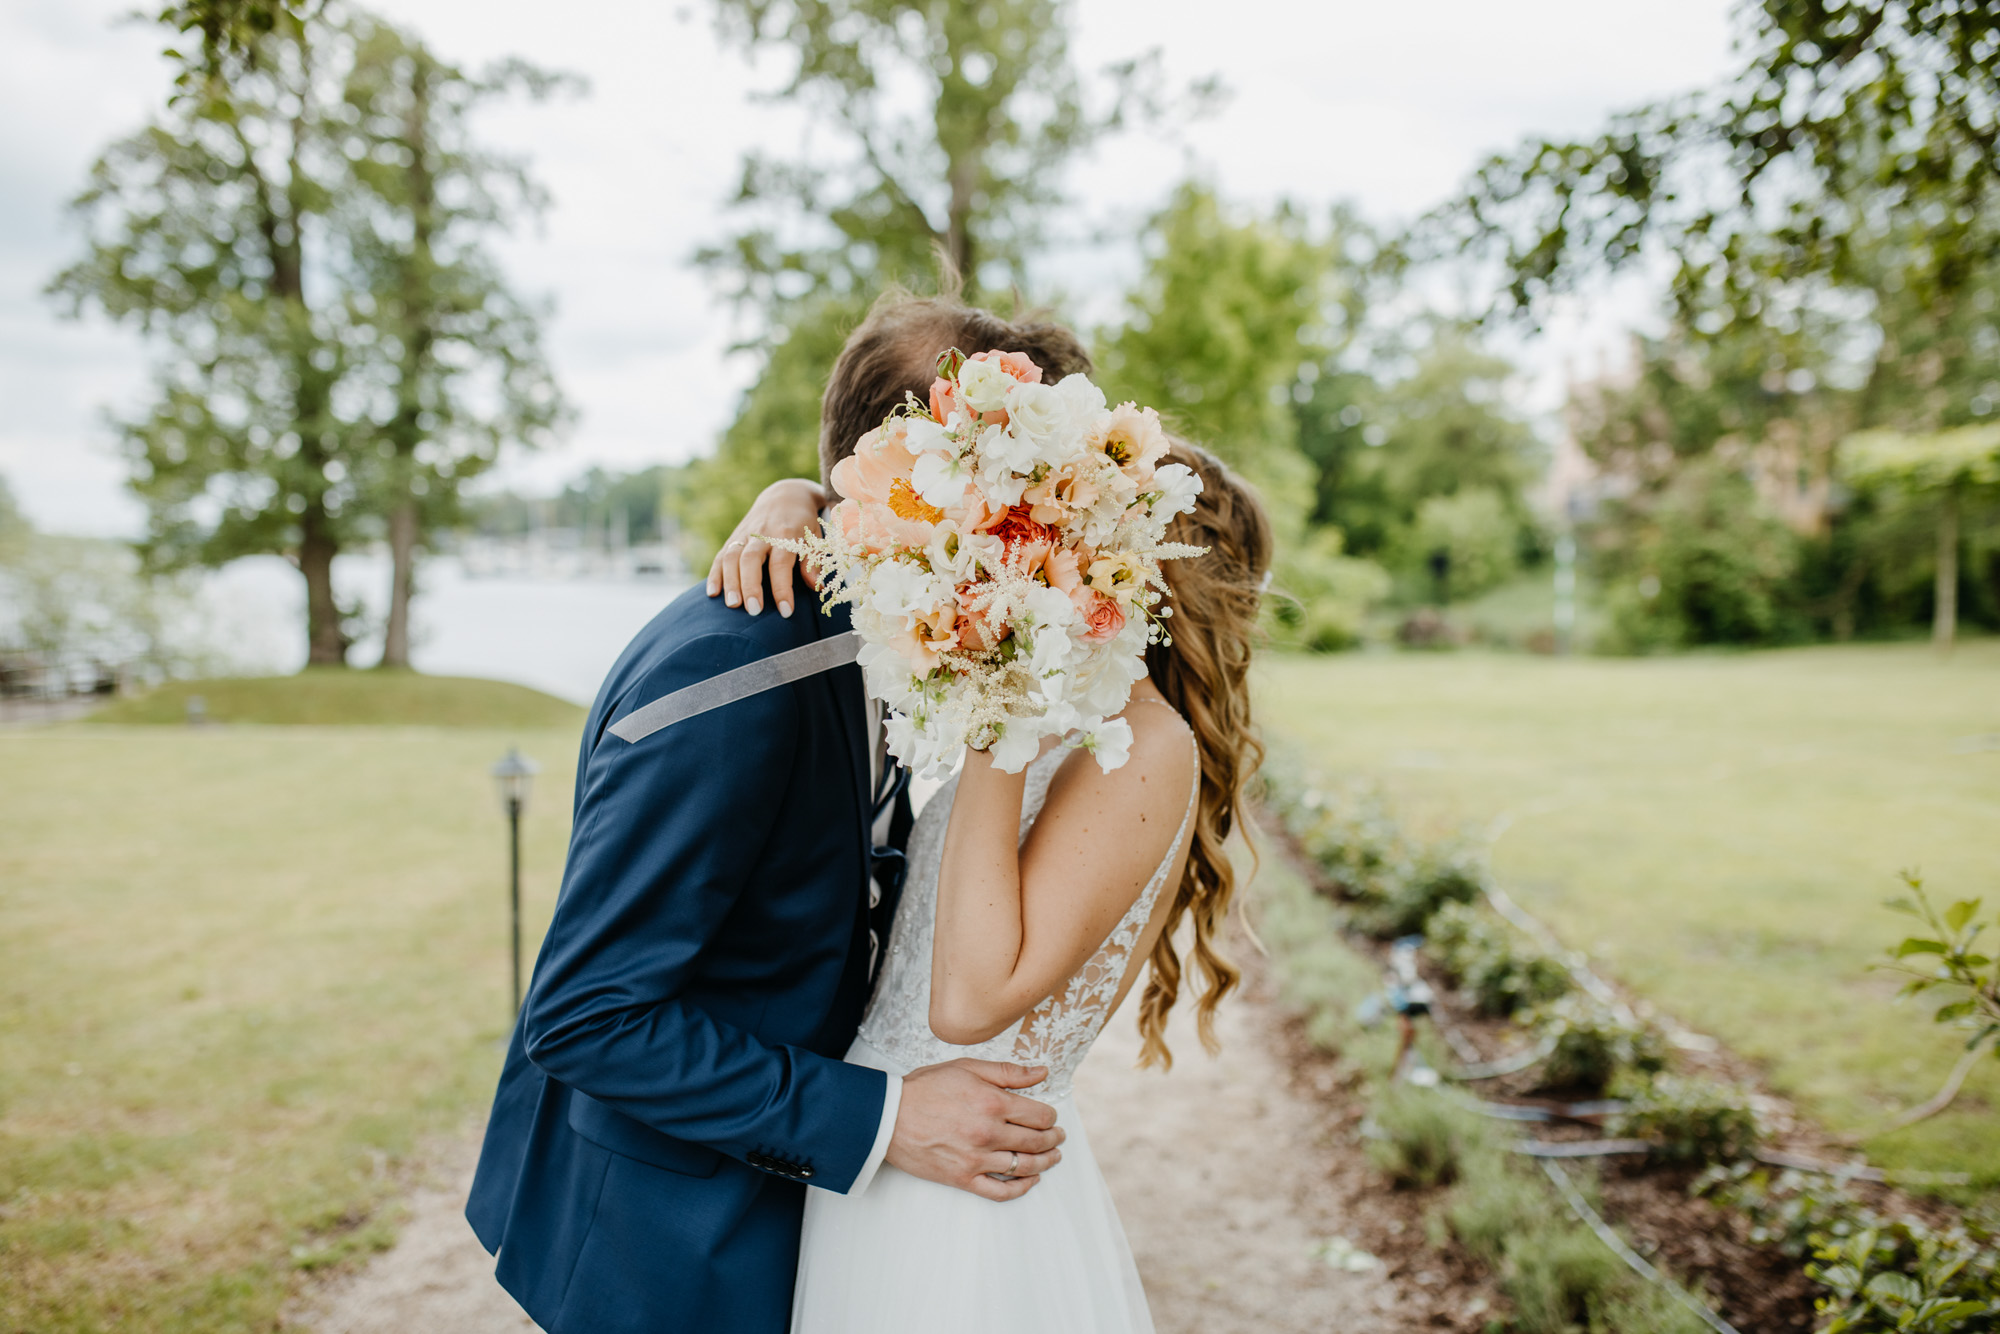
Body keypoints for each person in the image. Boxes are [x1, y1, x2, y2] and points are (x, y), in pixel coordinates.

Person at [464, 294, 1098, 1334]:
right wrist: (888, 1118)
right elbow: (585, 1015)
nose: (1040, 527)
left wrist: (797, 493)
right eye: (1022, 489)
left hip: (759, 1207)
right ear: (915, 480)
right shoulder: (738, 671)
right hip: (663, 1243)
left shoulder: (860, 618)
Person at [711, 416, 1274, 1333]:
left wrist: (999, 690)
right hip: (893, 1162)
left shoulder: (1143, 747)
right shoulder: (1064, 716)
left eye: (1071, 517)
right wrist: (795, 497)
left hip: (961, 1211)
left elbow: (971, 1003)